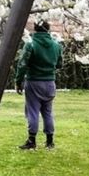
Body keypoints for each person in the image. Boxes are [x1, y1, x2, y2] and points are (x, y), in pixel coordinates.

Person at [15, 19, 63, 150]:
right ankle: (49, 141)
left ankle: (32, 141)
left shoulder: (30, 44)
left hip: (34, 82)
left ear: (35, 28)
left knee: (32, 111)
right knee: (47, 112)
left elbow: (22, 65)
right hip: (50, 83)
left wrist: (18, 82)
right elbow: (59, 64)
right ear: (48, 28)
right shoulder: (56, 45)